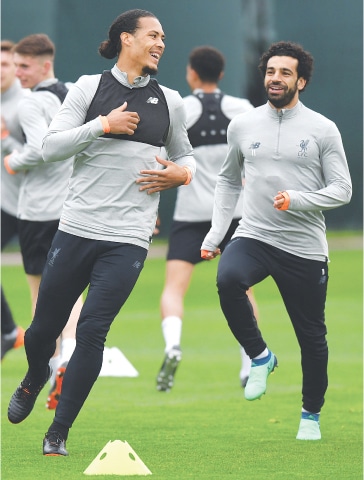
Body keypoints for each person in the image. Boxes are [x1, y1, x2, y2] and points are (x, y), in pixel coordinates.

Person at [8, 9, 196, 457]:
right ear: (126, 39)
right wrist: (102, 126)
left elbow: (187, 158)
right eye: (153, 35)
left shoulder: (171, 100)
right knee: (41, 332)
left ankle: (59, 432)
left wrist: (181, 177)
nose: (161, 43)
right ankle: (36, 376)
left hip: (129, 238)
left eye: (164, 37)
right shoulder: (88, 88)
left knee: (93, 332)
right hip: (75, 229)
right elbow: (50, 147)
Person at [200, 41, 352, 441]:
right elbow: (228, 179)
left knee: (312, 338)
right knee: (228, 279)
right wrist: (217, 234)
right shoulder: (244, 125)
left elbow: (343, 190)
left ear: (301, 80)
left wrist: (298, 200)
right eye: (270, 71)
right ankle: (260, 356)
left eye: (285, 73)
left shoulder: (323, 129)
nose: (275, 78)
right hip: (255, 234)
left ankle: (310, 416)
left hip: (303, 248)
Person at [156, 45, 257, 392]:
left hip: (191, 215)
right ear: (222, 73)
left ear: (192, 74)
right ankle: (250, 361)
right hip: (236, 214)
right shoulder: (244, 110)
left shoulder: (181, 108)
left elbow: (163, 162)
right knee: (243, 289)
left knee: (173, 288)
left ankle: (172, 346)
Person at [3, 33, 83, 408]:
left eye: (23, 65)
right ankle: (70, 356)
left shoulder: (32, 103)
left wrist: (11, 157)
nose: (18, 73)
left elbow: (41, 149)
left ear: (44, 64)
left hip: (36, 211)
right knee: (72, 290)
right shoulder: (72, 93)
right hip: (71, 209)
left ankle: (45, 367)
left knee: (40, 294)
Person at [1, 39, 27, 360]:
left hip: (39, 207)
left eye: (5, 64)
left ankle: (68, 350)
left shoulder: (27, 104)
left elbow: (43, 157)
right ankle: (9, 331)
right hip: (6, 205)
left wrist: (7, 140)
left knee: (54, 282)